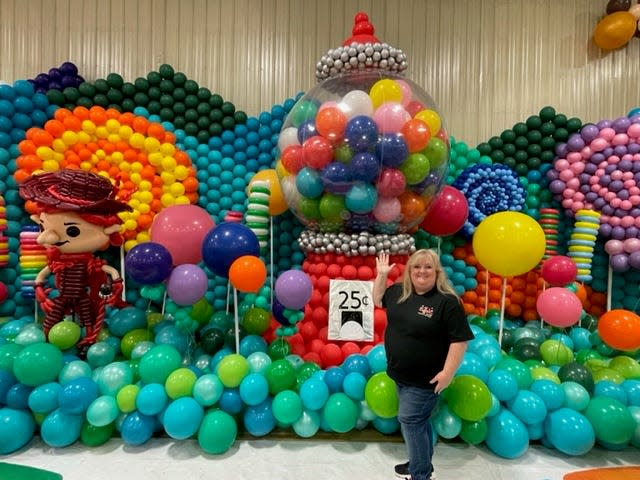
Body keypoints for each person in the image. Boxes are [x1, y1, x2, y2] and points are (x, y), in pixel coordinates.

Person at [373, 249, 474, 480]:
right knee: (419, 422)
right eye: (417, 266)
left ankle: (421, 474)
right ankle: (420, 463)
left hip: (425, 380)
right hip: (400, 375)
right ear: (409, 270)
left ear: (437, 272)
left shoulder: (447, 302)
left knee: (410, 420)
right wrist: (381, 275)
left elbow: (460, 341)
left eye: (428, 267)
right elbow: (378, 299)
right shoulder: (399, 292)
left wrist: (448, 373)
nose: (422, 271)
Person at [19, 169, 132, 353]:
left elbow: (110, 271)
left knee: (88, 319)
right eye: (42, 227)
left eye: (72, 231)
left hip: (82, 297)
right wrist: (39, 289)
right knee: (51, 318)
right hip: (63, 297)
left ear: (108, 230)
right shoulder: (57, 262)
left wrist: (115, 285)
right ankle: (46, 342)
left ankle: (88, 341)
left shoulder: (90, 263)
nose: (45, 239)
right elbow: (42, 276)